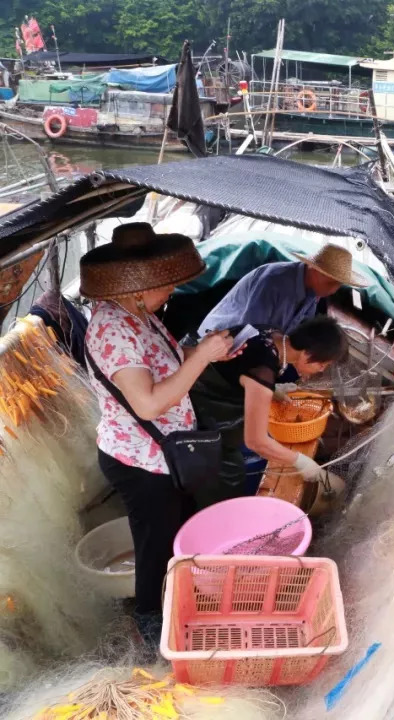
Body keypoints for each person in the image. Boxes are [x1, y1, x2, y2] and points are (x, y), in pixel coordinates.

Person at [81, 223, 236, 643]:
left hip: (163, 452)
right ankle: (150, 623)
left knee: (179, 529)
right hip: (139, 460)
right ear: (137, 289)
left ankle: (182, 598)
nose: (172, 291)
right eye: (167, 285)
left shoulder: (140, 316)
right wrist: (201, 358)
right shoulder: (112, 329)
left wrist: (209, 353)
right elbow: (147, 403)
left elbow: (169, 359)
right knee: (156, 546)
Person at [187, 315, 347, 508]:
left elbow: (236, 369)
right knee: (227, 482)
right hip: (200, 412)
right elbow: (256, 441)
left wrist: (272, 390)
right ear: (306, 354)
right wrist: (302, 463)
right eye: (322, 365)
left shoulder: (270, 331)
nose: (321, 370)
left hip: (204, 392)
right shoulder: (262, 369)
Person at [197, 244, 370, 337]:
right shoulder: (273, 281)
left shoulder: (313, 293)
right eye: (331, 281)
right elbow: (252, 333)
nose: (334, 289)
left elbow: (296, 333)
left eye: (339, 284)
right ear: (315, 270)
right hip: (220, 341)